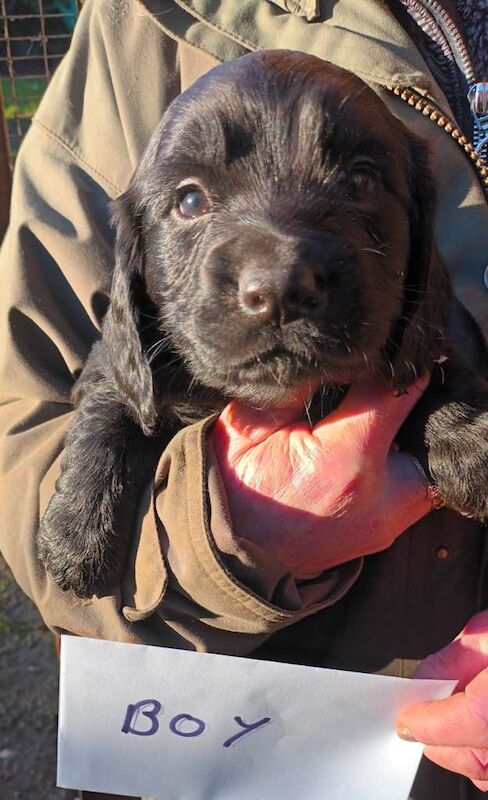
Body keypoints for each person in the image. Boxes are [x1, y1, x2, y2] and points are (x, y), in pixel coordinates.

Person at [0, 1, 487, 798]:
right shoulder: (138, 30)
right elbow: (85, 392)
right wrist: (222, 531)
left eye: (358, 180)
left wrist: (444, 409)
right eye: (192, 201)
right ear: (137, 255)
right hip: (225, 741)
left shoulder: (416, 324)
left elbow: (432, 362)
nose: (278, 273)